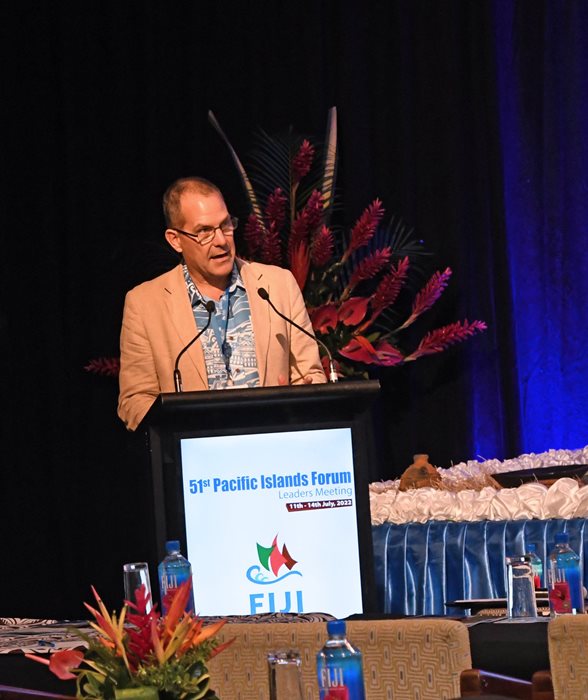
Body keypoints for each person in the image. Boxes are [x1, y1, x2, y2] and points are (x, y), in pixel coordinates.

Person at [118, 176, 326, 430]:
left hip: (272, 442)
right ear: (175, 240)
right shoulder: (144, 303)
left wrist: (298, 402)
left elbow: (311, 375)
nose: (221, 240)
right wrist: (180, 430)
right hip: (195, 450)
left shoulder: (278, 286)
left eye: (225, 225)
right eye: (204, 232)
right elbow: (135, 401)